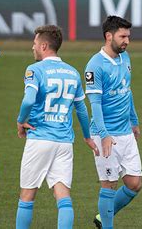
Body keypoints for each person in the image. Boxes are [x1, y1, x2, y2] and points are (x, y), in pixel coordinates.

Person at [15, 25, 95, 229]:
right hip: (64, 143)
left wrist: (20, 120)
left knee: (27, 195)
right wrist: (87, 136)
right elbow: (82, 110)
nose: (32, 48)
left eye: (34, 44)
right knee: (63, 196)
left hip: (40, 138)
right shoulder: (72, 72)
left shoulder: (34, 70)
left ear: (43, 45)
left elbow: (28, 101)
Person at [85, 16, 142, 229]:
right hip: (105, 134)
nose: (127, 40)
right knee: (108, 185)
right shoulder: (95, 65)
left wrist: (133, 120)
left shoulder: (125, 57)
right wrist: (104, 134)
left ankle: (102, 218)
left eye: (128, 36)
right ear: (109, 36)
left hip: (125, 132)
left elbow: (127, 91)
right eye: (123, 36)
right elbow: (95, 104)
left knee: (134, 183)